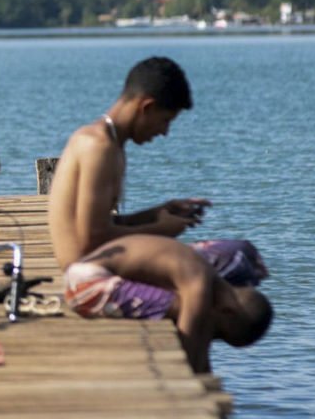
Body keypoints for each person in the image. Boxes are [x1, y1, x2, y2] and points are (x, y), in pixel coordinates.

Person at [48, 56, 270, 371]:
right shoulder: (98, 146)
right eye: (166, 120)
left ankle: (215, 316)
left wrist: (156, 213)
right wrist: (162, 230)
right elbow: (91, 239)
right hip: (89, 269)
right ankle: (206, 332)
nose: (164, 132)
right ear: (146, 106)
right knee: (216, 275)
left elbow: (106, 225)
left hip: (106, 259)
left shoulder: (111, 143)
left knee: (238, 254)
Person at [64, 235, 272, 373]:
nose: (213, 335)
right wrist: (196, 380)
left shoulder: (203, 274)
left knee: (195, 313)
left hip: (84, 275)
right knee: (191, 312)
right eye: (219, 333)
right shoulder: (198, 282)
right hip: (89, 285)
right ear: (229, 311)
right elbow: (190, 338)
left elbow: (201, 341)